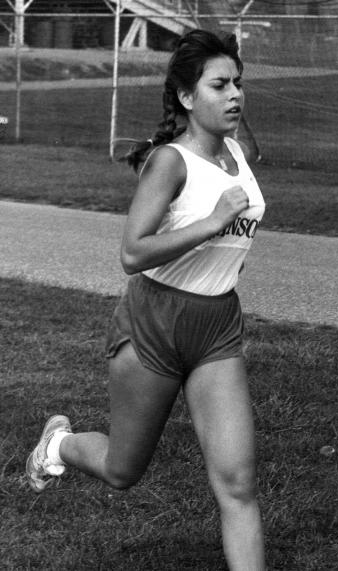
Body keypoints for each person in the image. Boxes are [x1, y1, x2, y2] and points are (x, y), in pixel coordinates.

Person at [26, 29, 266, 570]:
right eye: (220, 85)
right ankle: (58, 444)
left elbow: (242, 201)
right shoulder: (169, 163)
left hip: (218, 324)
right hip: (155, 322)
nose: (235, 95)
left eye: (238, 84)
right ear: (186, 97)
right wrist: (212, 223)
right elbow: (132, 253)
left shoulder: (239, 152)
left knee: (238, 483)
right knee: (122, 471)